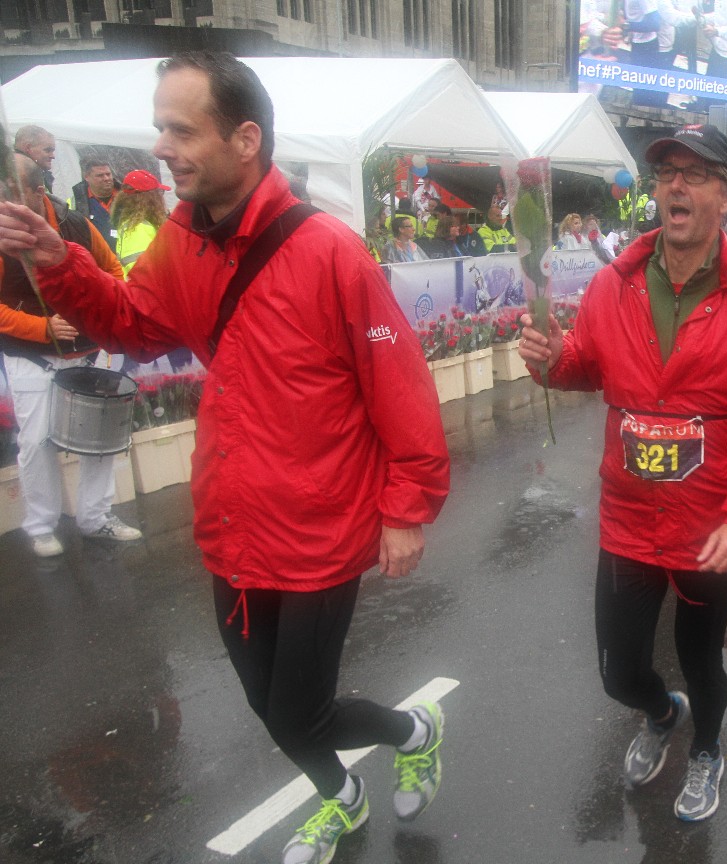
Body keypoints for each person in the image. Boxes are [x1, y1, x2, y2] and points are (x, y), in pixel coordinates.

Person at [0, 52, 451, 864]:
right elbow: (134, 325)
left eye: (181, 130)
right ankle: (345, 796)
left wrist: (407, 508)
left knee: (299, 712)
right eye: (159, 128)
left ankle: (413, 731)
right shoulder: (183, 241)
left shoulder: (329, 250)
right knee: (268, 706)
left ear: (245, 139)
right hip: (233, 525)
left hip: (319, 534)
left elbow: (401, 385)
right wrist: (58, 263)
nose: (161, 147)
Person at [517, 123, 727, 822]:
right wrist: (552, 359)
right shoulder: (614, 282)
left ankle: (707, 748)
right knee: (619, 671)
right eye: (666, 173)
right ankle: (660, 712)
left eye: (695, 173)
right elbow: (586, 365)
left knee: (701, 657)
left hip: (710, 523)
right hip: (629, 517)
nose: (675, 185)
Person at [0, 154, 136, 558]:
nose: (4, 201)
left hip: (88, 351)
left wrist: (90, 311)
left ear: (38, 190)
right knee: (36, 442)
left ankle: (96, 517)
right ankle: (41, 526)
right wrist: (42, 328)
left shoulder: (77, 224)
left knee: (101, 438)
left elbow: (114, 273)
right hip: (30, 356)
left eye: (10, 192)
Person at [111, 169, 170, 276]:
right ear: (150, 198)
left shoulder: (135, 223)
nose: (162, 198)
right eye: (159, 193)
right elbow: (141, 272)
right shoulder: (138, 228)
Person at [69, 159, 121, 245]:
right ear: (87, 177)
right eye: (100, 175)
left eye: (108, 174)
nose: (106, 178)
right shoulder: (74, 204)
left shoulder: (128, 198)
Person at [14, 125, 56, 193]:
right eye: (47, 150)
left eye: (52, 151)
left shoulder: (38, 176)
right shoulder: (14, 178)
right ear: (28, 148)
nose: (53, 156)